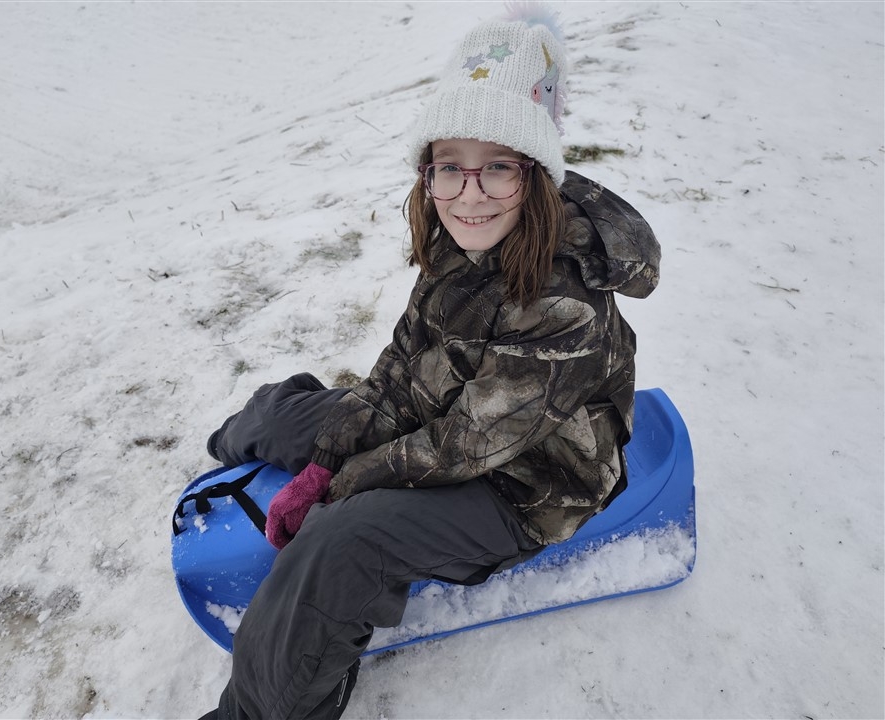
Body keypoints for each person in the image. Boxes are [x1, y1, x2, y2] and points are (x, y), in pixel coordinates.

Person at [201, 5, 660, 719]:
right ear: (429, 172)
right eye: (451, 167)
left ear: (536, 176)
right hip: (451, 412)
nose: (470, 194)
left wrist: (337, 485)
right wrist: (324, 450)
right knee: (288, 418)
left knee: (345, 539)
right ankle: (235, 444)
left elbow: (466, 445)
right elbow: (403, 362)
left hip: (524, 483)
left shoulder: (563, 302)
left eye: (498, 167)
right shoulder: (459, 239)